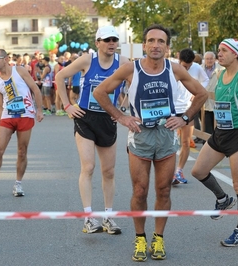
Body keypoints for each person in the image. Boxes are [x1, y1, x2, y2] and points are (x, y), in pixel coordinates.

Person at [93, 24, 207, 261]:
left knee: (163, 190)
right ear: (144, 45)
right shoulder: (130, 69)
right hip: (141, 136)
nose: (156, 45)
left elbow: (202, 94)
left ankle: (158, 239)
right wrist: (122, 117)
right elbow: (100, 92)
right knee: (140, 190)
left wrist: (185, 118)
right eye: (151, 41)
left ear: (167, 46)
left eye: (161, 41)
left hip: (166, 136)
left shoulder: (174, 69)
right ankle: (140, 239)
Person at [191, 38, 238, 246]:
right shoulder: (221, 74)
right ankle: (222, 199)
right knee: (198, 171)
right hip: (220, 134)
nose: (219, 54)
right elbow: (220, 106)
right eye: (218, 50)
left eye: (223, 50)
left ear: (235, 54)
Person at [55, 25, 128, 236]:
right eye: (107, 40)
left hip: (108, 118)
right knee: (88, 167)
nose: (111, 43)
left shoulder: (123, 63)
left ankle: (108, 217)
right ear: (98, 43)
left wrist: (125, 110)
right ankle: (88, 217)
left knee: (109, 171)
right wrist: (68, 106)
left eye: (114, 39)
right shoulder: (88, 59)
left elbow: (135, 83)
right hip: (85, 118)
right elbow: (60, 77)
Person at [0, 49, 43, 199]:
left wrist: (39, 109)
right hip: (8, 117)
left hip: (25, 114)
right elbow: (0, 105)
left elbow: (35, 89)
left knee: (22, 151)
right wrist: (2, 117)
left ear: (6, 59)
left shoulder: (19, 70)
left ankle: (18, 183)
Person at [172, 48, 209, 184]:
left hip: (188, 110)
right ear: (179, 60)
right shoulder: (172, 66)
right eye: (184, 66)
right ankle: (169, 171)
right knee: (170, 143)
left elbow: (205, 80)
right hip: (172, 110)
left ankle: (179, 171)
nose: (186, 69)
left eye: (189, 66)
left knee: (186, 142)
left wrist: (197, 92)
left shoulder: (197, 68)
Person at [201, 51, 223, 135]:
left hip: (217, 100)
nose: (209, 60)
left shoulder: (221, 69)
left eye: (211, 59)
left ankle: (217, 141)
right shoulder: (200, 68)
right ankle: (207, 142)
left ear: (214, 59)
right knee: (206, 124)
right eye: (207, 59)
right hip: (204, 101)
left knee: (217, 124)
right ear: (204, 59)